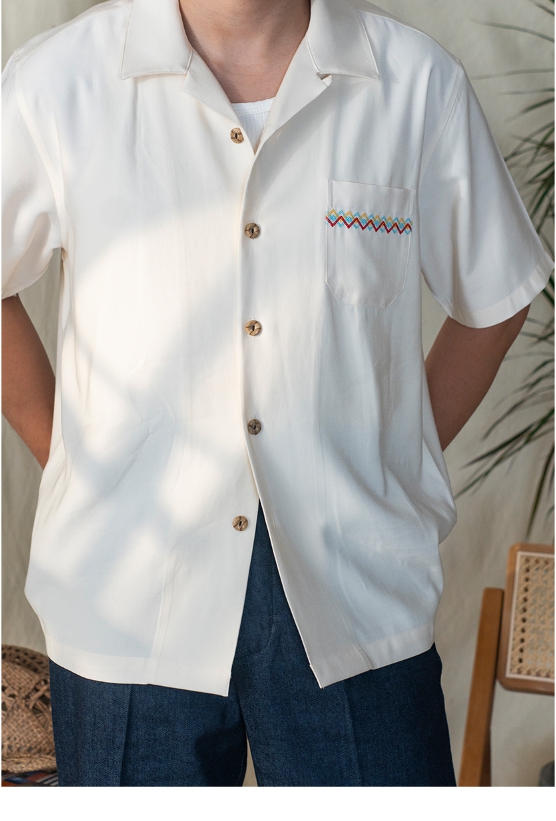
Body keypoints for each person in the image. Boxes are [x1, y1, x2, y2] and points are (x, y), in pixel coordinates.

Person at [2, 0, 553, 787]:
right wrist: (68, 455)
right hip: (126, 594)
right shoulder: (60, 82)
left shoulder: (414, 83)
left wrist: (395, 453)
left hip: (357, 588)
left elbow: (496, 294)